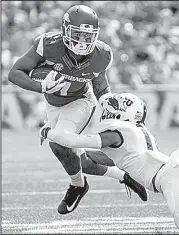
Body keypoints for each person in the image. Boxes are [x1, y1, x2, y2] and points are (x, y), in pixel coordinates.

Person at [8, 5, 146, 215]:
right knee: (78, 161)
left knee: (59, 140)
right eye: (78, 34)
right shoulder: (48, 44)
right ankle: (121, 175)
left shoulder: (101, 53)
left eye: (87, 35)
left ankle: (77, 185)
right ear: (65, 30)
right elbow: (15, 72)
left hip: (81, 100)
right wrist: (41, 86)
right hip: (53, 104)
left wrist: (108, 101)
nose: (82, 41)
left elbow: (100, 84)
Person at [40, 93, 179, 233]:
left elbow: (72, 141)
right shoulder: (136, 133)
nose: (108, 111)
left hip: (170, 179)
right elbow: (107, 159)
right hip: (172, 175)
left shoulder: (117, 134)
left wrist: (47, 131)